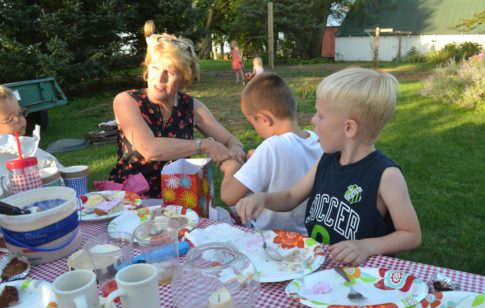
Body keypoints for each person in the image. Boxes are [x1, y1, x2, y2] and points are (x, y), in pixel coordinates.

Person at [236, 68, 421, 265]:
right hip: (322, 269)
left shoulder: (385, 176)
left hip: (363, 278)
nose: (312, 120)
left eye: (320, 115)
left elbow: (411, 234)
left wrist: (366, 246)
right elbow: (291, 197)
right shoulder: (326, 160)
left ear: (349, 128)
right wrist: (262, 199)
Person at [109, 25, 246, 199]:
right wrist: (205, 145)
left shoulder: (192, 106)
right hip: (130, 199)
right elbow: (149, 148)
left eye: (170, 72)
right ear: (147, 69)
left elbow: (230, 140)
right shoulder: (126, 101)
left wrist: (234, 155)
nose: (160, 78)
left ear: (184, 77)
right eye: (155, 68)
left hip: (179, 196)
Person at [220, 73, 323, 233]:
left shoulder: (271, 147)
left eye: (253, 122)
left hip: (272, 237)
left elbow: (228, 196)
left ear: (264, 119)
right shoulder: (317, 140)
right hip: (308, 234)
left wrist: (230, 168)